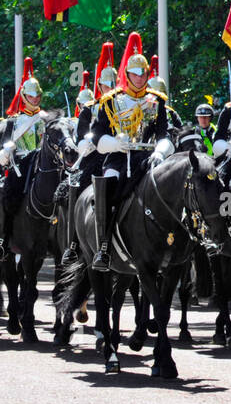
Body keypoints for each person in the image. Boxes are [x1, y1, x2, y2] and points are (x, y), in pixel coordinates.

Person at [89, 34, 170, 270]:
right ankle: (103, 247)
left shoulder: (157, 101)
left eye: (143, 74)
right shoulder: (111, 101)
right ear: (127, 75)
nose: (140, 78)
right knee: (108, 188)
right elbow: (97, 137)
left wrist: (161, 152)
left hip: (148, 159)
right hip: (118, 159)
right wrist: (115, 143)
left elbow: (165, 134)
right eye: (135, 74)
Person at [0, 59, 51, 260]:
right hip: (22, 165)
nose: (35, 99)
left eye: (38, 95)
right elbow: (1, 152)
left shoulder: (47, 119)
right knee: (8, 195)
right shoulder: (13, 122)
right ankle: (2, 241)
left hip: (44, 164)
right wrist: (6, 152)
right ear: (24, 96)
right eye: (31, 96)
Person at [63, 44, 117, 264]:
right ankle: (74, 244)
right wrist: (90, 141)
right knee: (79, 186)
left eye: (113, 83)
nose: (110, 87)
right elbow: (80, 139)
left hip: (119, 157)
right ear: (100, 85)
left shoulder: (123, 105)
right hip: (94, 158)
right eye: (106, 84)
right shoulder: (90, 109)